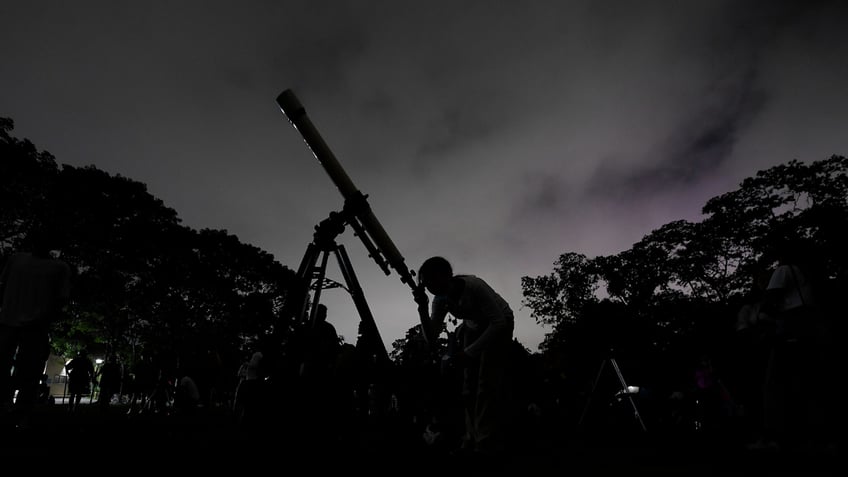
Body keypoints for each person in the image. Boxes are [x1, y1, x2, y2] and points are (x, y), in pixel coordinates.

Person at [413, 256, 515, 457]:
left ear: (446, 276)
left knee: (486, 384)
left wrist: (468, 353)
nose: (430, 287)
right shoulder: (439, 300)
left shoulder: (474, 287)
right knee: (467, 387)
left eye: (432, 281)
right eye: (426, 284)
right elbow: (431, 337)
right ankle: (470, 437)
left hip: (499, 323)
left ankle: (485, 442)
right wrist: (423, 308)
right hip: (472, 326)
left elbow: (499, 323)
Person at [0, 223, 72, 430]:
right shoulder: (18, 260)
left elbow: (60, 300)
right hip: (17, 323)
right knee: (24, 370)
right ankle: (15, 409)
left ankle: (20, 411)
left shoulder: (57, 268)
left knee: (28, 372)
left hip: (26, 324)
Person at [65, 348, 95, 412]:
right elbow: (92, 371)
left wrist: (69, 374)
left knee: (73, 393)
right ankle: (75, 407)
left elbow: (67, 367)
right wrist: (90, 378)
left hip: (76, 378)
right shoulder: (87, 361)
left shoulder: (76, 360)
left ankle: (71, 407)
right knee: (78, 393)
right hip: (82, 378)